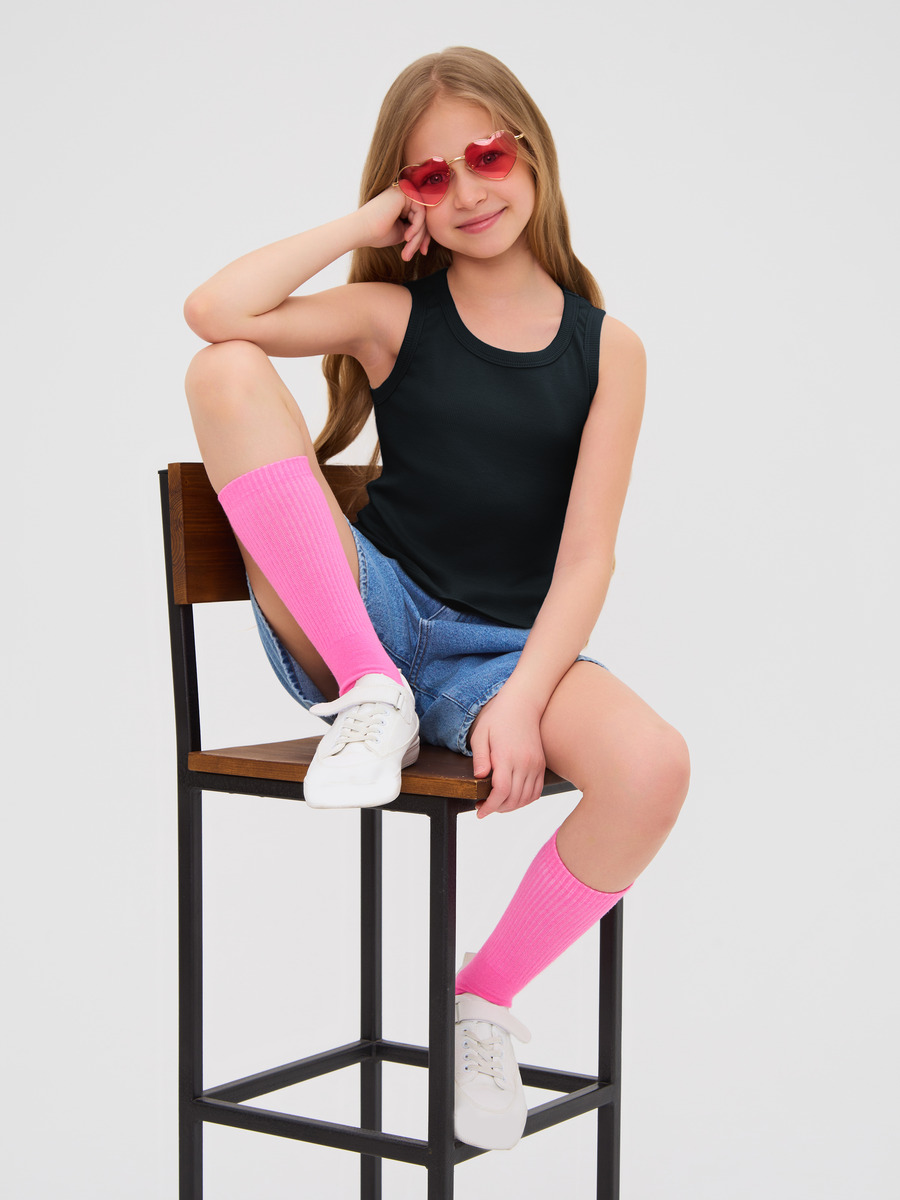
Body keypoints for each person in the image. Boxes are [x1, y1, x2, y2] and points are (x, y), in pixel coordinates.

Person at [182, 46, 690, 1151]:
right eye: (429, 176)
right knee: (222, 368)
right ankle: (373, 694)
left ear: (532, 154)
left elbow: (587, 560)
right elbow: (214, 311)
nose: (466, 191)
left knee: (653, 766)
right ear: (404, 196)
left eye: (486, 157)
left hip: (500, 654)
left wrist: (525, 699)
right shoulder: (392, 314)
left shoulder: (610, 351)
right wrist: (359, 225)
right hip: (365, 614)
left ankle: (482, 999)